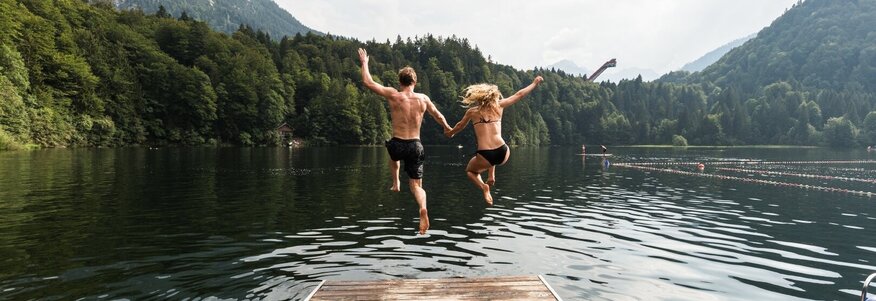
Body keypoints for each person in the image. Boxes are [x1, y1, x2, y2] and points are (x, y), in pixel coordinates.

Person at [358, 48, 451, 235]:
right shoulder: (423, 99)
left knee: (393, 152)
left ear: (400, 82)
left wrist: (365, 63)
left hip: (397, 144)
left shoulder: (394, 95)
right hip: (415, 145)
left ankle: (395, 183)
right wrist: (447, 127)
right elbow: (438, 115)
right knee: (417, 186)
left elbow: (367, 82)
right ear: (414, 82)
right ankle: (422, 208)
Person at [445, 76, 544, 205]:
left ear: (479, 97)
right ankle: (491, 176)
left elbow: (459, 126)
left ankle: (484, 187)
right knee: (493, 152)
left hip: (485, 155)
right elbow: (519, 95)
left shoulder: (472, 112)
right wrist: (534, 83)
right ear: (493, 96)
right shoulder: (499, 106)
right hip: (503, 152)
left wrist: (451, 133)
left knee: (470, 171)